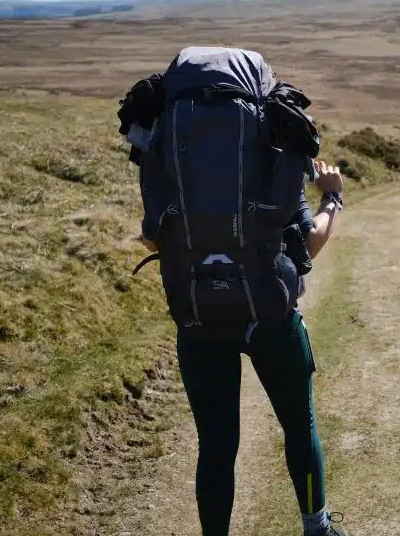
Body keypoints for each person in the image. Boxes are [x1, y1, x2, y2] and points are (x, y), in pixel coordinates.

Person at [120, 47, 349, 536]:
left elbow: (152, 234)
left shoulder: (164, 135)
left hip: (197, 318)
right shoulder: (275, 135)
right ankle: (317, 528)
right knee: (298, 426)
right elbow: (307, 244)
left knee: (217, 447)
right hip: (269, 313)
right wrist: (332, 197)